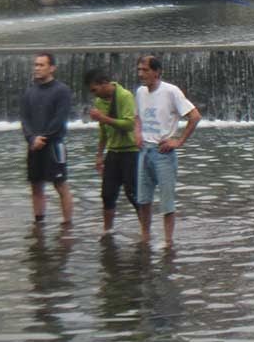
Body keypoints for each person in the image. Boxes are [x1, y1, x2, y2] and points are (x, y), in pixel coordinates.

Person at [134, 54, 201, 248]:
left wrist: (179, 141)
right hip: (144, 151)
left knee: (167, 201)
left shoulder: (171, 91)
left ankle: (168, 242)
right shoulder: (140, 92)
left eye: (145, 70)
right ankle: (145, 237)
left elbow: (195, 116)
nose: (141, 74)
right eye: (139, 70)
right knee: (143, 199)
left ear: (157, 72)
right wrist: (137, 132)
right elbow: (137, 117)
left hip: (163, 153)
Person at [19, 52, 74, 226]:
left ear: (52, 68)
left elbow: (60, 118)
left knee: (60, 185)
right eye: (35, 65)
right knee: (36, 185)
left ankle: (67, 225)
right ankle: (39, 223)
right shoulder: (29, 92)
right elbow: (25, 119)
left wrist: (43, 138)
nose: (37, 68)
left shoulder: (61, 90)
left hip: (53, 145)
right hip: (34, 145)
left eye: (41, 65)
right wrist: (31, 139)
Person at [85, 68, 139, 237]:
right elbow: (103, 132)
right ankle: (107, 231)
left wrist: (103, 118)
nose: (94, 95)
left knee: (134, 195)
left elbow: (129, 124)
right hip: (113, 152)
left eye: (95, 90)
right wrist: (99, 155)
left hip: (131, 152)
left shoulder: (125, 96)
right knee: (107, 194)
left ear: (104, 84)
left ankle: (145, 231)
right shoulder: (100, 102)